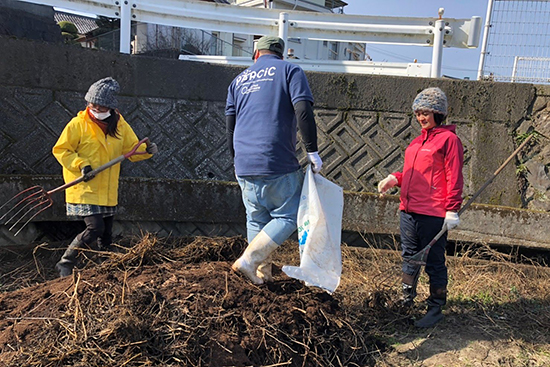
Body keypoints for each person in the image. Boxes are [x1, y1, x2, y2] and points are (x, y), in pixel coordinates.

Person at [225, 35, 322, 285]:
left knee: (256, 218)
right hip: (275, 159)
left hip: (244, 164)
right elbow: (302, 110)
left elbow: (230, 127)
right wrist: (312, 150)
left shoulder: (238, 81)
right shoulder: (290, 70)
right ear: (281, 54)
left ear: (256, 53)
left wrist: (236, 161)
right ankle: (248, 261)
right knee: (289, 216)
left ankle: (261, 276)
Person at [52, 77, 158, 277]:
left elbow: (131, 149)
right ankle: (65, 262)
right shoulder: (78, 124)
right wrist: (81, 165)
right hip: (85, 186)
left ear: (110, 106)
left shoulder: (119, 124)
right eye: (92, 104)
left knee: (107, 232)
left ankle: (106, 266)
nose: (95, 108)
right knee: (95, 228)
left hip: (108, 187)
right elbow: (61, 150)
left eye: (100, 105)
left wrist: (147, 150)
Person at [377, 87, 464, 328]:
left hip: (433, 212)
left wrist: (452, 209)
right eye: (418, 113)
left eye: (426, 112)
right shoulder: (417, 142)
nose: (421, 117)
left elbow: (453, 176)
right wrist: (396, 178)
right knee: (409, 257)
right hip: (408, 209)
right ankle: (406, 300)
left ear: (438, 113)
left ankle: (435, 308)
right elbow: (414, 174)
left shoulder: (449, 140)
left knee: (434, 261)